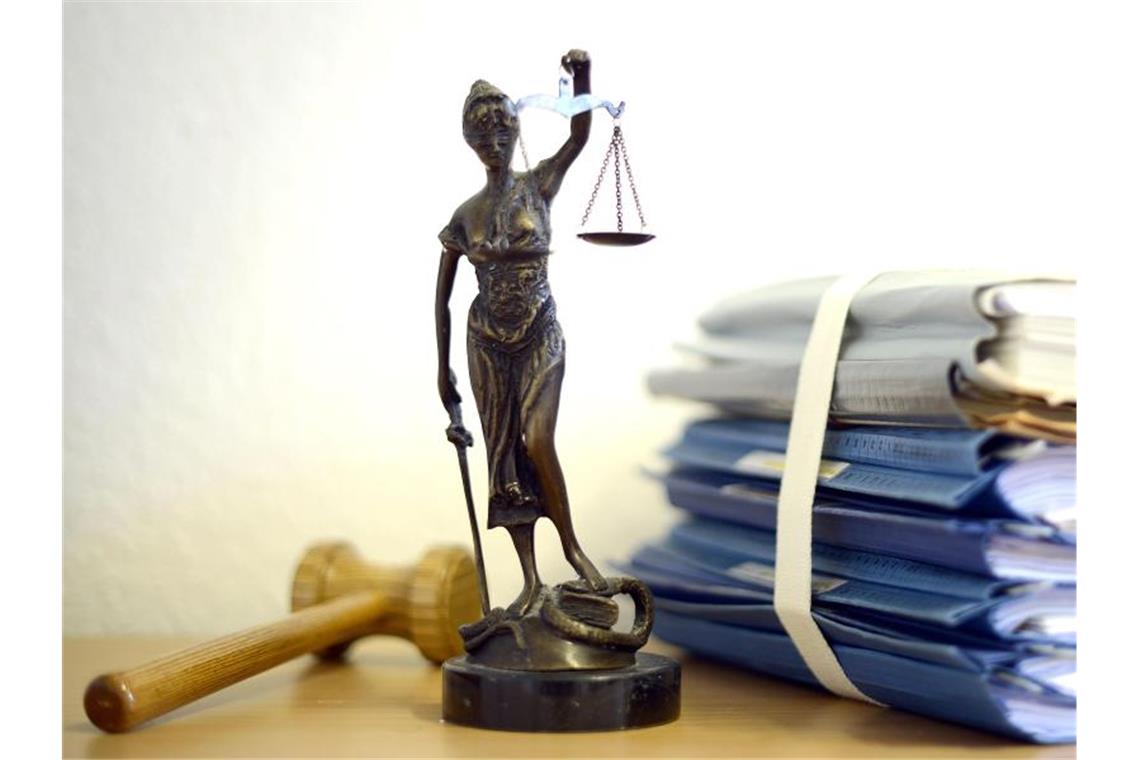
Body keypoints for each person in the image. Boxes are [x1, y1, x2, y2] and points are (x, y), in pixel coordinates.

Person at [435, 50, 605, 616]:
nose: (493, 144)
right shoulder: (465, 215)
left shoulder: (540, 184)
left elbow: (579, 135)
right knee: (503, 457)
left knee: (536, 438)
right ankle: (531, 579)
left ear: (515, 132)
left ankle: (573, 549)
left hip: (539, 333)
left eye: (502, 133)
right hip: (486, 342)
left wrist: (582, 78)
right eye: (482, 138)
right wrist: (442, 369)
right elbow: (442, 297)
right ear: (470, 144)